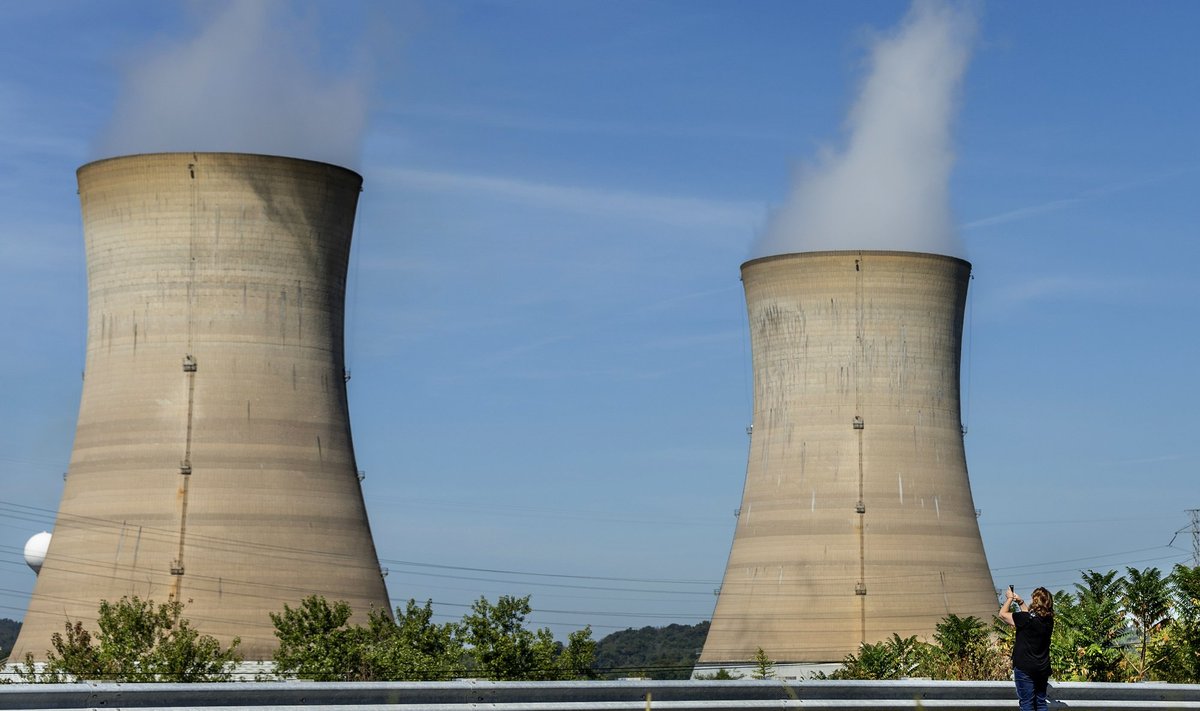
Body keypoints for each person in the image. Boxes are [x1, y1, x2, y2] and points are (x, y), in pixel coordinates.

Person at [999, 586, 1054, 711]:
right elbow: (1029, 617)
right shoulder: (1048, 621)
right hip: (1042, 668)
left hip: (1025, 668)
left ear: (1035, 602)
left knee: (1027, 704)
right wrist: (1020, 602)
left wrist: (1009, 599)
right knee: (1040, 703)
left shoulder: (1025, 619)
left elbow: (1002, 614)